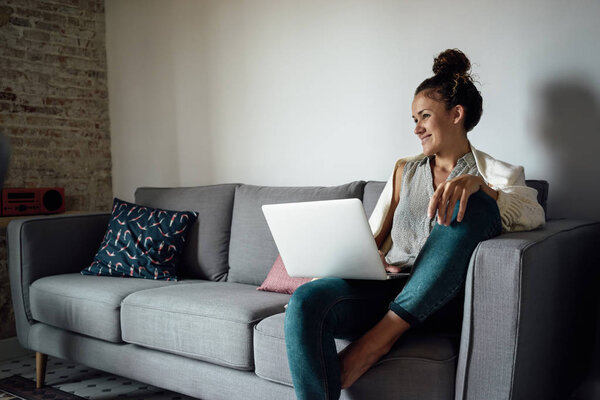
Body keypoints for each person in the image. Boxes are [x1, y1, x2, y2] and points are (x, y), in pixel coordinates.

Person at [284, 49, 545, 400]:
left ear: (456, 114)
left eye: (424, 116)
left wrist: (480, 188)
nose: (416, 128)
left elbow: (533, 212)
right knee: (306, 300)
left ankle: (378, 341)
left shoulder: (495, 174)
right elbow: (373, 235)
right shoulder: (404, 169)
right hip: (391, 286)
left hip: (444, 300)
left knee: (477, 205)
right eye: (414, 118)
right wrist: (369, 257)